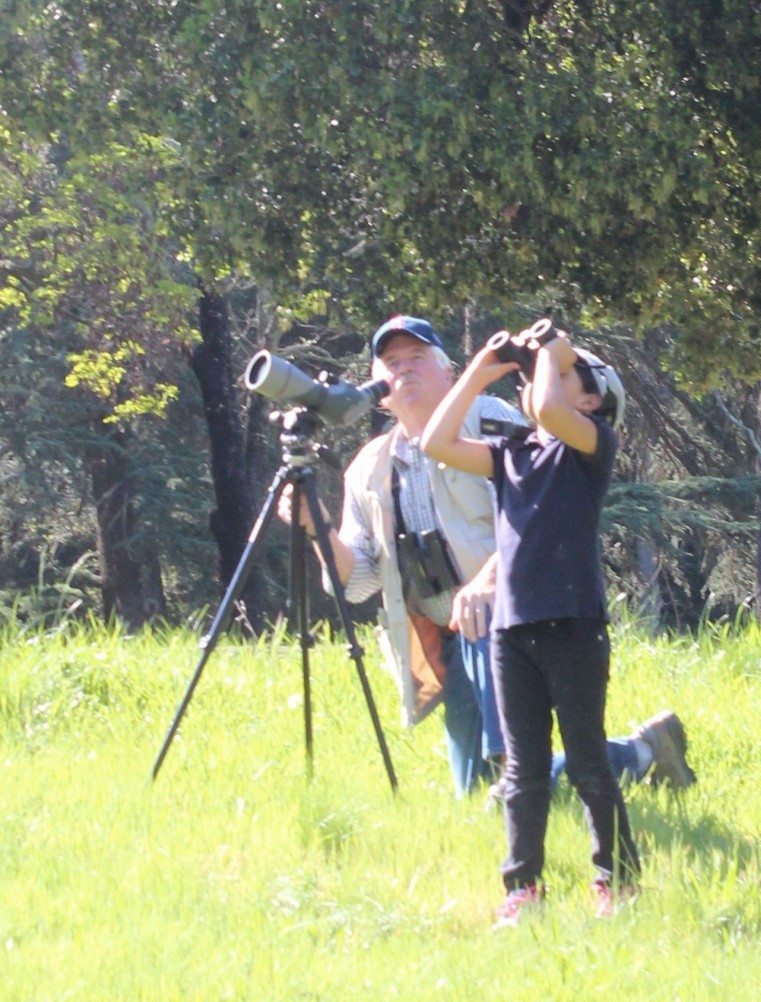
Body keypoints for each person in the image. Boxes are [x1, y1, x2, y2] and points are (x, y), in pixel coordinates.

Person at [278, 314, 696, 799]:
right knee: (474, 794)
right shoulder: (366, 468)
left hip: (507, 616)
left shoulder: (496, 418)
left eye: (417, 358)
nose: (403, 370)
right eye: (391, 363)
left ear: (449, 372)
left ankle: (526, 778)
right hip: (445, 638)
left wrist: (489, 580)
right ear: (379, 388)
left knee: (510, 777)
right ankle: (641, 751)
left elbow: (548, 511)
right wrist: (317, 528)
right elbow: (357, 582)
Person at [422, 325, 641, 922]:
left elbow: (548, 405)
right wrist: (478, 370)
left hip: (573, 624)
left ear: (591, 402)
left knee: (588, 760)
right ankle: (522, 890)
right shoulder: (511, 452)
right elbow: (436, 443)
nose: (539, 378)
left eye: (567, 374)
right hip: (512, 630)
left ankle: (616, 880)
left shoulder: (592, 446)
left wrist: (552, 347)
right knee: (522, 769)